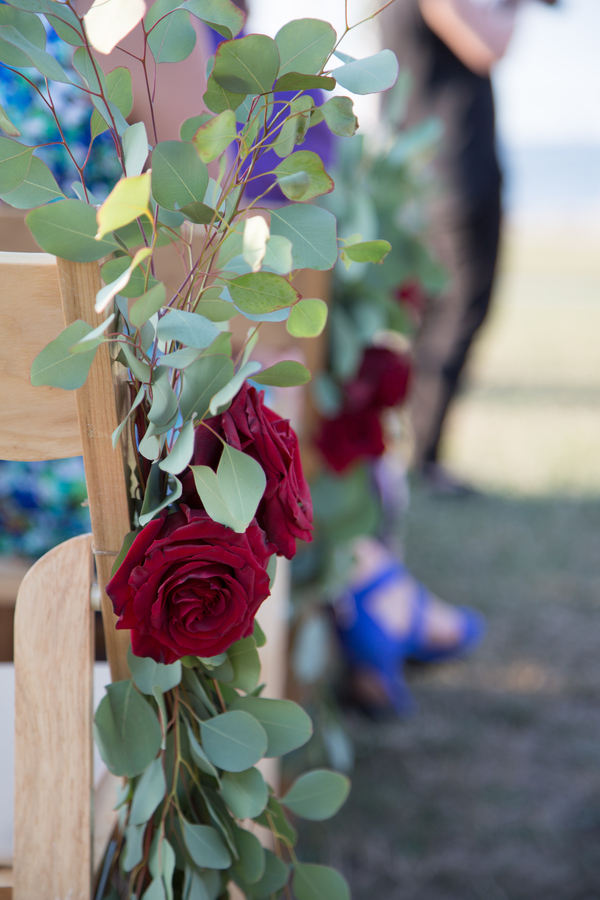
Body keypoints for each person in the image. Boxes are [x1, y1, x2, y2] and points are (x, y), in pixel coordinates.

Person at [383, 0, 556, 495]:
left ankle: (420, 455)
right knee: (456, 313)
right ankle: (422, 459)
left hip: (436, 174)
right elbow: (488, 46)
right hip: (451, 176)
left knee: (441, 316)